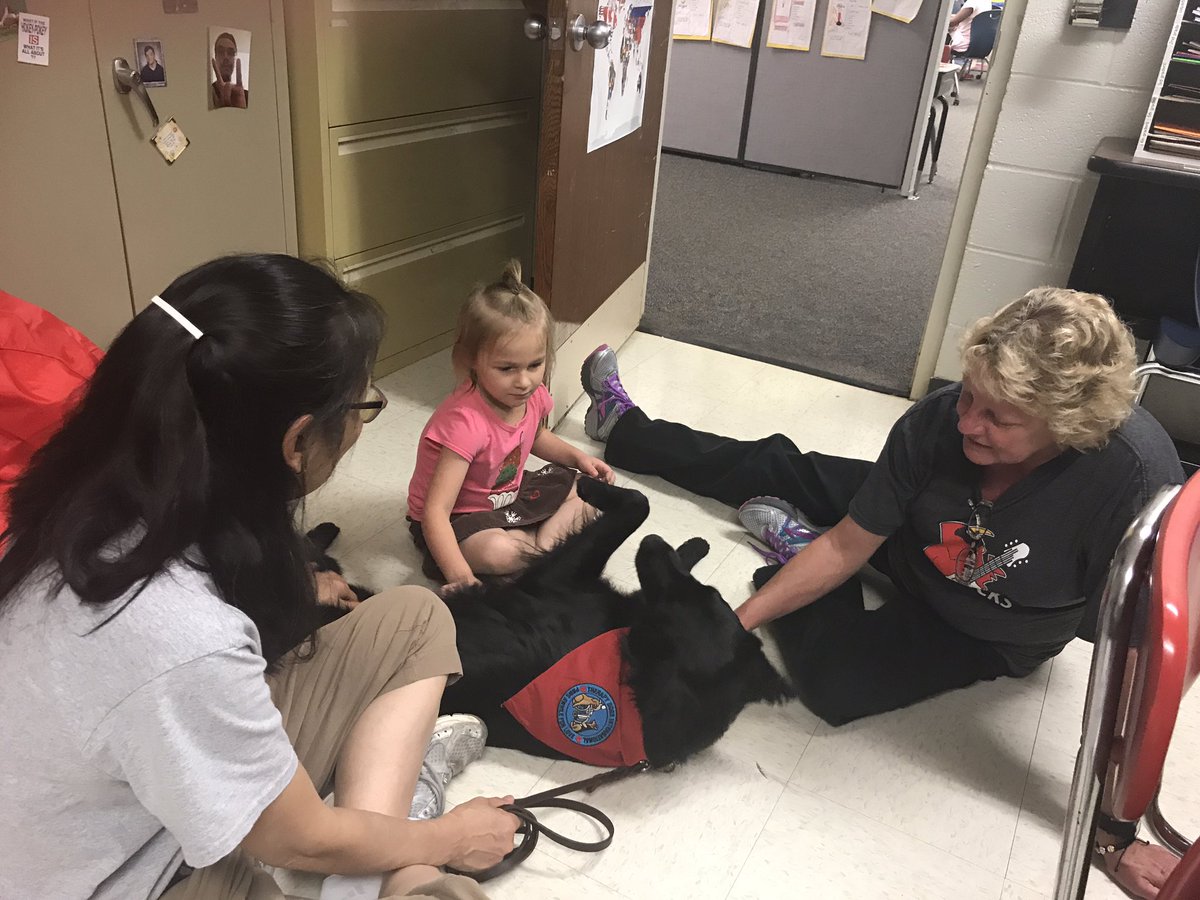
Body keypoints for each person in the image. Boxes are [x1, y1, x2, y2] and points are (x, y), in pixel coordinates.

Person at [578, 288, 1183, 899]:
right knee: (779, 466)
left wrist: (1113, 833)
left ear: (1066, 424)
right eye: (969, 396)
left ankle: (794, 547)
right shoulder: (941, 423)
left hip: (982, 623)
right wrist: (730, 626)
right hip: (910, 534)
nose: (967, 422)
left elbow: (1135, 676)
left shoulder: (1132, 483)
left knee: (836, 687)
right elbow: (847, 547)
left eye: (998, 418)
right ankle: (623, 426)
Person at [0, 254, 519, 900]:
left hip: (139, 796)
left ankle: (385, 872)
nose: (359, 426)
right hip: (124, 874)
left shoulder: (96, 494)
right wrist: (445, 839)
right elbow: (296, 839)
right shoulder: (180, 635)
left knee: (415, 619)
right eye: (361, 406)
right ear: (296, 442)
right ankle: (406, 845)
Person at [406, 260, 613, 594]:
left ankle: (536, 548)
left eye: (535, 364)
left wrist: (578, 458)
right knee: (500, 552)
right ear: (471, 360)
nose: (524, 381)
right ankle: (539, 548)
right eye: (506, 368)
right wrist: (462, 580)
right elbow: (435, 512)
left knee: (594, 493)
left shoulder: (532, 395)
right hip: (459, 517)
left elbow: (535, 435)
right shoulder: (465, 423)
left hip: (506, 497)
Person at [211, 31, 247, 109]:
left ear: (234, 58)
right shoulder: (206, 94)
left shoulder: (246, 96)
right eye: (221, 52)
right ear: (215, 57)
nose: (226, 57)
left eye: (230, 53)